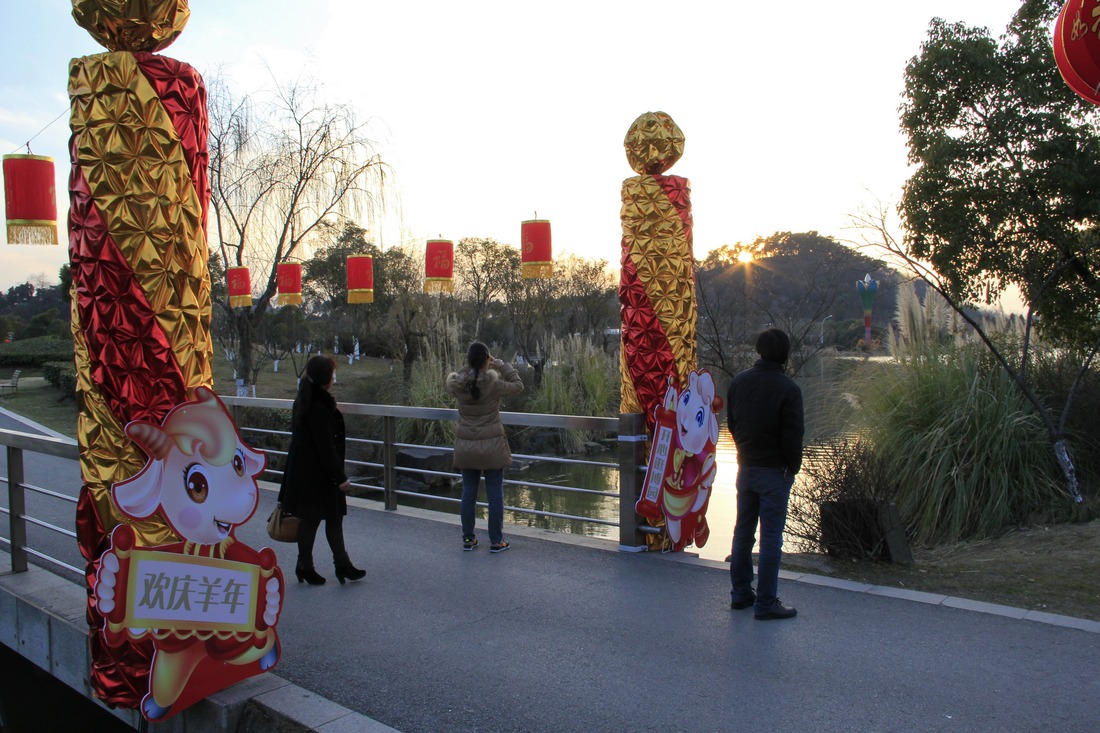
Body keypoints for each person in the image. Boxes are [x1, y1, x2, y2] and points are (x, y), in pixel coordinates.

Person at [726, 329, 804, 620]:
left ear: (759, 350)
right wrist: (792, 467)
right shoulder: (789, 389)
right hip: (774, 472)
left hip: (746, 467)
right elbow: (793, 437)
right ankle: (766, 602)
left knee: (743, 532)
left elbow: (732, 424)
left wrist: (744, 452)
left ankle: (740, 594)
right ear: (785, 354)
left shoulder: (739, 381)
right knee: (771, 538)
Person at [279, 355, 365, 585]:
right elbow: (325, 447)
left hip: (307, 472)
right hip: (318, 475)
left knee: (328, 518)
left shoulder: (305, 399)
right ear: (325, 378)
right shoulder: (318, 406)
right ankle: (309, 566)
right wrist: (340, 477)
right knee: (315, 520)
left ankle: (336, 564)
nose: (334, 379)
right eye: (332, 375)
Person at [446, 342, 524, 553]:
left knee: (468, 494)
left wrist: (471, 366)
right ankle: (496, 541)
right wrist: (502, 365)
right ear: (487, 360)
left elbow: (456, 379)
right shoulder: (493, 383)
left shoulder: (459, 384)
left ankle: (468, 539)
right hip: (492, 448)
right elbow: (518, 385)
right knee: (495, 494)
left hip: (467, 448)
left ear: (469, 361)